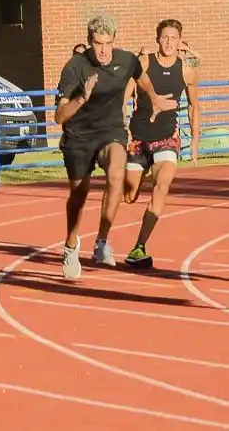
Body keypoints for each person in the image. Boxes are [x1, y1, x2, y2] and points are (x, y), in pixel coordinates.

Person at [54, 14, 175, 280]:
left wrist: (153, 98)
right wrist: (82, 99)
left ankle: (102, 241)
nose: (104, 50)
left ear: (114, 41)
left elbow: (140, 76)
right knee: (79, 194)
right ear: (89, 42)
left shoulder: (125, 59)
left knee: (117, 171)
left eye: (108, 43)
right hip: (79, 136)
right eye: (98, 43)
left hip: (110, 132)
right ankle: (71, 244)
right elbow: (59, 116)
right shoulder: (75, 67)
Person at [123, 19, 200, 268]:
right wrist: (121, 126)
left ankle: (139, 246)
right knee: (129, 195)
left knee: (163, 184)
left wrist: (195, 142)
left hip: (167, 138)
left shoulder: (186, 70)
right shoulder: (144, 63)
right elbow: (125, 94)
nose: (169, 42)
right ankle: (141, 174)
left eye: (173, 38)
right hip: (138, 138)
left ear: (180, 41)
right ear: (158, 39)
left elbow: (193, 106)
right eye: (165, 37)